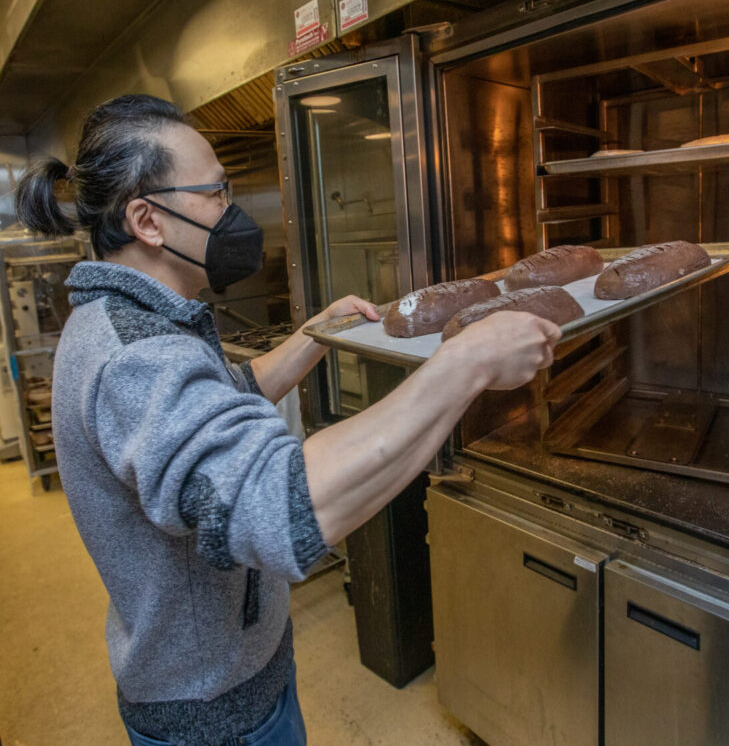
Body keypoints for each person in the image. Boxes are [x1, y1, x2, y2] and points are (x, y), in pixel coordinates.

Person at [15, 94, 559, 746]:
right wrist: (464, 364)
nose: (231, 209)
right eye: (216, 192)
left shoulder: (125, 319)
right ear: (147, 220)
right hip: (218, 718)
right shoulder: (135, 356)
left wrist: (313, 335)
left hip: (236, 677)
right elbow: (272, 505)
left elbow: (221, 397)